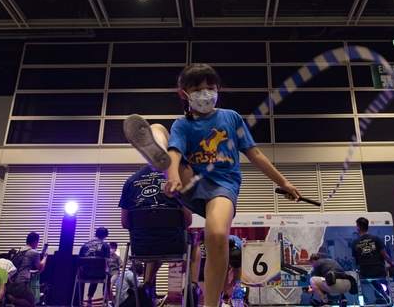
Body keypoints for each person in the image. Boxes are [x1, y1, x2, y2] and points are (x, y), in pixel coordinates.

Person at [123, 63, 301, 307]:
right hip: (190, 179)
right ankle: (159, 159)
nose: (205, 93)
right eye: (197, 89)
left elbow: (255, 154)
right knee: (157, 129)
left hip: (223, 185)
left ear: (218, 89)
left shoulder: (231, 117)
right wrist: (172, 176)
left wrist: (284, 183)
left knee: (216, 235)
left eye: (210, 88)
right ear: (183, 93)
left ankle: (211, 304)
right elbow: (176, 153)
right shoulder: (183, 124)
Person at [119, 165, 201, 305]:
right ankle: (192, 286)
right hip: (172, 244)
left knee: (155, 242)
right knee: (193, 244)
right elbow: (187, 221)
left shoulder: (131, 181)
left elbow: (125, 223)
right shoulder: (175, 180)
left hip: (141, 247)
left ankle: (147, 285)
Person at [353, 217, 394, 303]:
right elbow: (385, 255)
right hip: (380, 271)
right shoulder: (375, 238)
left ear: (359, 227)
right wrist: (391, 264)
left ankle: (386, 297)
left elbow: (356, 259)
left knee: (372, 279)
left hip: (364, 273)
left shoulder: (355, 242)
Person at [10, 232, 47, 307]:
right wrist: (45, 257)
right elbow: (40, 267)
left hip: (10, 281)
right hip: (20, 283)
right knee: (33, 303)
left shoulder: (19, 250)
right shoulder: (33, 252)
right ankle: (9, 297)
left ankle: (9, 296)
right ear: (36, 242)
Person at [79, 227, 111, 306]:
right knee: (107, 276)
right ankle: (105, 300)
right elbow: (106, 261)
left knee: (94, 277)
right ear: (104, 236)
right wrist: (107, 270)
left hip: (84, 275)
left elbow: (79, 261)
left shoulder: (84, 245)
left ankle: (89, 300)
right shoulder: (105, 245)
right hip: (99, 274)